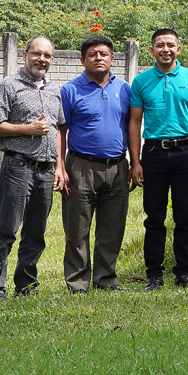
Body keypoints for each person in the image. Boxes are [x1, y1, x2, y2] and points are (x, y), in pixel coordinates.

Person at [0, 36, 64, 299]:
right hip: (18, 166)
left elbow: (59, 130)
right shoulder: (9, 86)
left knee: (36, 232)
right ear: (25, 55)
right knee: (7, 229)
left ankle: (26, 285)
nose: (42, 59)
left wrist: (60, 164)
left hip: (46, 169)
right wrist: (27, 129)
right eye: (37, 54)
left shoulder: (54, 91)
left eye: (47, 56)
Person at [128, 29, 188, 291]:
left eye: (171, 45)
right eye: (160, 45)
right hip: (153, 154)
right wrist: (135, 161)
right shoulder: (141, 81)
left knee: (185, 216)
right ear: (152, 50)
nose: (165, 49)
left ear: (179, 49)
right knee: (155, 217)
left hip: (186, 151)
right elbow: (134, 122)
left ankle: (183, 273)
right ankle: (154, 274)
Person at [57, 35, 132, 293]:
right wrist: (60, 167)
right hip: (80, 166)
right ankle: (77, 283)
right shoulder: (69, 90)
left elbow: (132, 126)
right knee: (77, 228)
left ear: (112, 58)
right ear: (82, 60)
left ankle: (106, 280)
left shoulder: (124, 89)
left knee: (112, 228)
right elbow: (60, 131)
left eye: (103, 54)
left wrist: (135, 161)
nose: (98, 58)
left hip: (118, 166)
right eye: (92, 54)